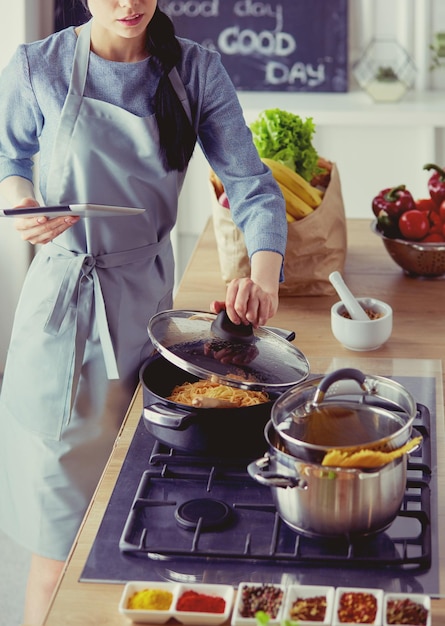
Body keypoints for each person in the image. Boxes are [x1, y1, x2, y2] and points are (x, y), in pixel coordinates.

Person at [0, 1, 287, 623]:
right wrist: (22, 203)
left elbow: (252, 185)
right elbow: (9, 161)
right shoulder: (37, 66)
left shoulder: (194, 70)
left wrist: (261, 275)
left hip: (149, 326)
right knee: (60, 551)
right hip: (63, 327)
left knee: (143, 529)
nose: (128, 3)